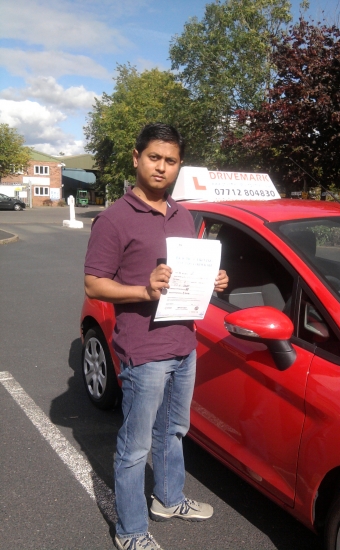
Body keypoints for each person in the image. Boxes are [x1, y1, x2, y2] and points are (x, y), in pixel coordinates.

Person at [84, 123, 229, 550]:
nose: (161, 167)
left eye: (171, 160)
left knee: (174, 431)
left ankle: (168, 499)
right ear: (136, 158)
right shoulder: (114, 219)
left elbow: (184, 274)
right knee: (135, 446)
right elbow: (94, 284)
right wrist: (143, 291)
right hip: (143, 350)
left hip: (183, 343)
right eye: (154, 157)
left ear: (179, 165)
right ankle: (130, 531)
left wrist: (212, 281)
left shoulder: (182, 215)